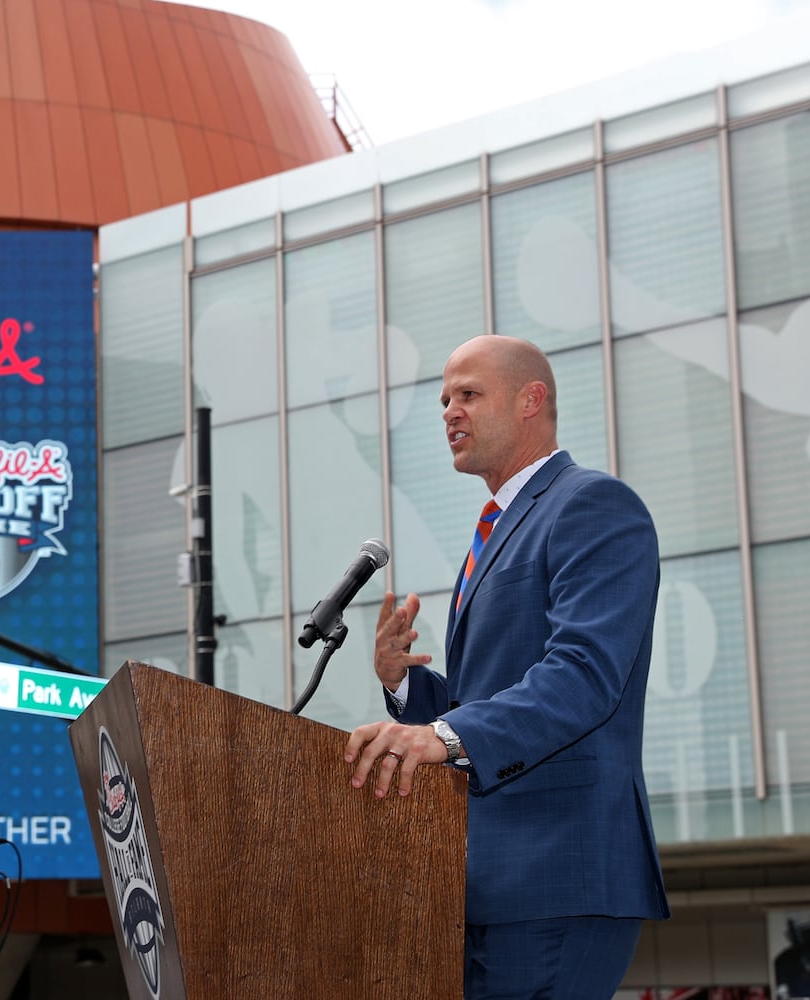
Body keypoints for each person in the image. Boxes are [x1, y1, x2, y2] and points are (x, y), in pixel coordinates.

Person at [342, 335, 670, 998]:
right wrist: (405, 686)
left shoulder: (592, 506)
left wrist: (437, 735)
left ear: (531, 399)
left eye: (468, 393)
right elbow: (483, 700)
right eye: (443, 400)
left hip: (558, 872)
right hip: (491, 880)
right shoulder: (496, 527)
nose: (448, 412)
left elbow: (583, 676)